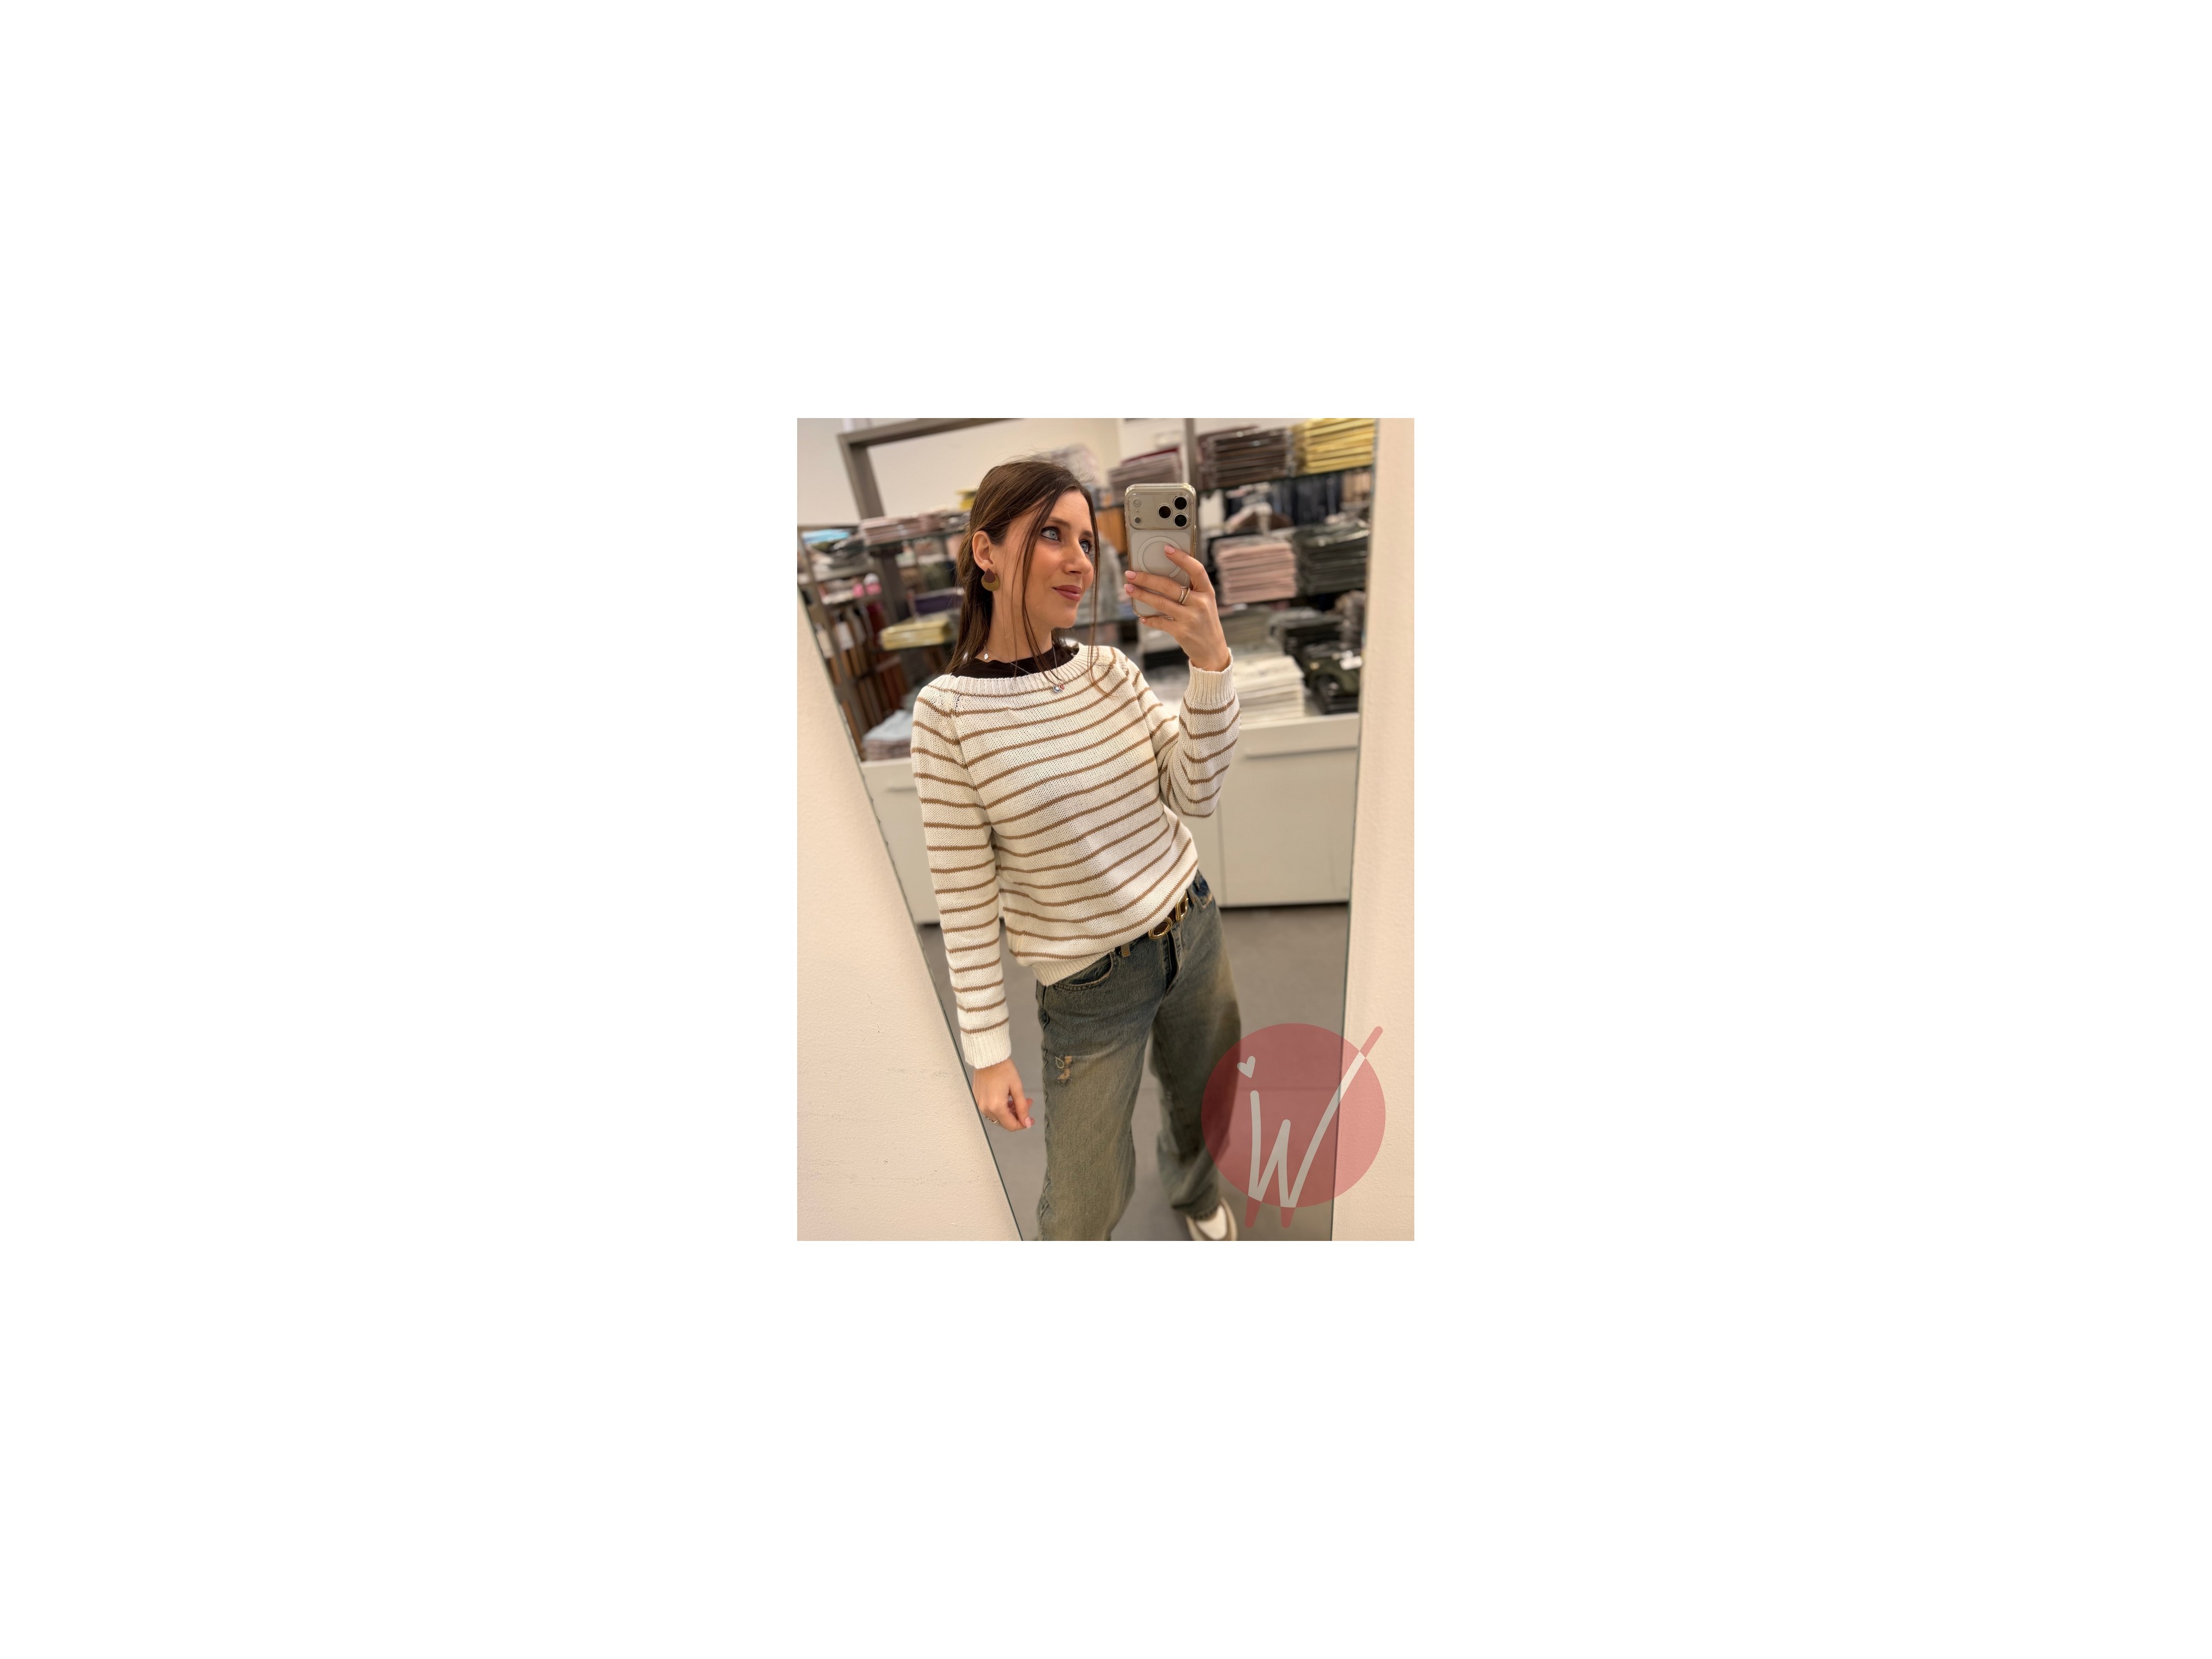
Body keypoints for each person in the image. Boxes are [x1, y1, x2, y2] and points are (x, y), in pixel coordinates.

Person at [909, 458, 1244, 1241]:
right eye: (1052, 535)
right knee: (1082, 1204)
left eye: (1088, 541)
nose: (1080, 562)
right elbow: (963, 895)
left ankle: (1194, 1189)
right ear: (986, 552)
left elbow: (1195, 793)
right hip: (1091, 984)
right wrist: (987, 1049)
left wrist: (1210, 667)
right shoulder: (947, 714)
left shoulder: (1109, 672)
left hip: (1192, 925)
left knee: (1206, 1096)